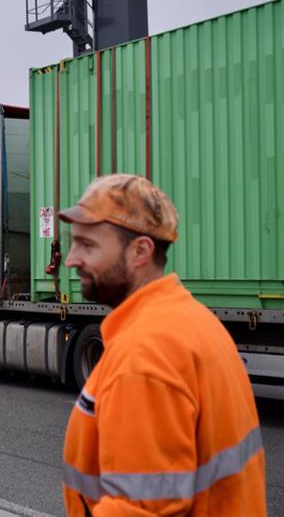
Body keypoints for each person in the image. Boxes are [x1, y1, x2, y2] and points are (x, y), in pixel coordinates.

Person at [58, 174, 265, 516]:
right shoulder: (193, 320)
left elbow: (139, 509)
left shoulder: (144, 353)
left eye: (88, 245)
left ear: (140, 251)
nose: (71, 259)